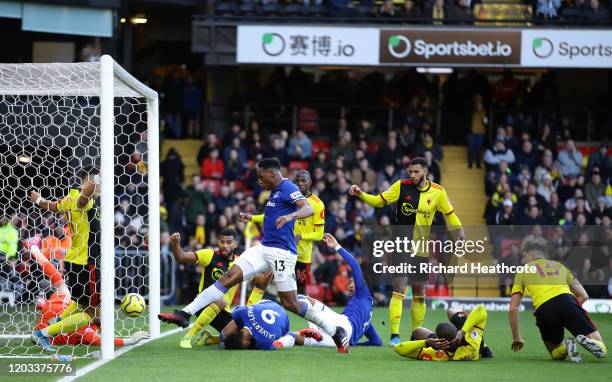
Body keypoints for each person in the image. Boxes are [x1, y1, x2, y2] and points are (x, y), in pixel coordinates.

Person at [158, 158, 350, 353]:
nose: (259, 181)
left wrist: (291, 217)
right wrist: (252, 217)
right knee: (227, 278)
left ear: (273, 173)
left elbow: (307, 208)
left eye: (261, 176)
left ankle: (335, 331)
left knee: (291, 303)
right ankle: (184, 313)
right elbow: (271, 217)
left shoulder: (288, 187)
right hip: (264, 247)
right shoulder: (275, 193)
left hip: (283, 253)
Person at [349, 157, 464, 346]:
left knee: (419, 291)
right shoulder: (400, 186)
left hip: (421, 248)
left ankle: (415, 333)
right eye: (410, 172)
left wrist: (459, 232)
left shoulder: (438, 192)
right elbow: (379, 201)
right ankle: (394, 335)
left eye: (416, 172)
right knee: (400, 288)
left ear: (425, 171)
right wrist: (361, 194)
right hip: (402, 244)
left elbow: (450, 215)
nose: (412, 175)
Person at [30, 166, 100, 352]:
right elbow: (84, 198)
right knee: (91, 314)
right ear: (91, 181)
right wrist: (98, 181)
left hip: (75, 259)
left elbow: (53, 206)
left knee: (79, 302)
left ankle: (56, 321)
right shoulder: (82, 199)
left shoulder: (70, 197)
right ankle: (44, 334)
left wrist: (38, 199)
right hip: (88, 260)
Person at [273, 233, 382, 349]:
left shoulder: (363, 293)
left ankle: (315, 328)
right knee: (296, 337)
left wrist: (336, 246)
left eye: (352, 282)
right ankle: (279, 343)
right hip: (339, 336)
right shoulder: (366, 315)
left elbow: (355, 266)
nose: (349, 285)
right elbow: (377, 342)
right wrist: (355, 344)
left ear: (364, 284)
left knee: (300, 298)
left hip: (341, 324)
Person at [30, 245, 149, 348]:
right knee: (69, 291)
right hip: (47, 322)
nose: (105, 312)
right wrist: (130, 341)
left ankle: (36, 254)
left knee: (61, 285)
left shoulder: (86, 319)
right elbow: (98, 340)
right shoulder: (85, 330)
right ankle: (46, 312)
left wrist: (36, 252)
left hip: (56, 308)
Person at [509, 239, 608, 362]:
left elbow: (513, 308)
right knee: (602, 349)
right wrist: (569, 312)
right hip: (568, 301)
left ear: (532, 254)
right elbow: (584, 295)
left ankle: (567, 348)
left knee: (556, 353)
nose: (522, 260)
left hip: (544, 310)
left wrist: (516, 338)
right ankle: (588, 342)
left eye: (523, 256)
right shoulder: (560, 266)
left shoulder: (522, 271)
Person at [246, 170, 325, 300]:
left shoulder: (317, 204)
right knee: (263, 279)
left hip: (301, 255)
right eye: (297, 180)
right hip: (281, 248)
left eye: (303, 180)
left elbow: (319, 234)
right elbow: (271, 217)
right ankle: (251, 309)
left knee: (301, 293)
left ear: (310, 182)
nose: (300, 183)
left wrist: (301, 237)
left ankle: (313, 319)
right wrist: (252, 218)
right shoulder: (289, 196)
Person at [168, 228, 239, 349]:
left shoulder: (240, 263)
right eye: (222, 242)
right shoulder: (209, 255)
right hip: (204, 305)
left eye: (229, 242)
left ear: (236, 244)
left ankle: (209, 339)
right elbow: (181, 257)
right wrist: (176, 243)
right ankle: (188, 336)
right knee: (220, 301)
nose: (225, 245)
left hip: (223, 311)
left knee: (241, 338)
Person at [394, 304, 488, 361]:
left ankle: (429, 338)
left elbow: (399, 349)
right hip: (477, 346)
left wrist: (426, 342)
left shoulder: (436, 353)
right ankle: (485, 347)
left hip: (444, 345)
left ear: (438, 339)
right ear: (457, 329)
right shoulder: (472, 343)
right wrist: (462, 331)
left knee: (416, 331)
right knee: (451, 311)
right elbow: (481, 309)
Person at [222, 300, 290, 350]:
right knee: (223, 335)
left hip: (286, 323)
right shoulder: (240, 313)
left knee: (278, 342)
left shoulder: (263, 343)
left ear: (246, 343)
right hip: (270, 303)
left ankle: (293, 336)